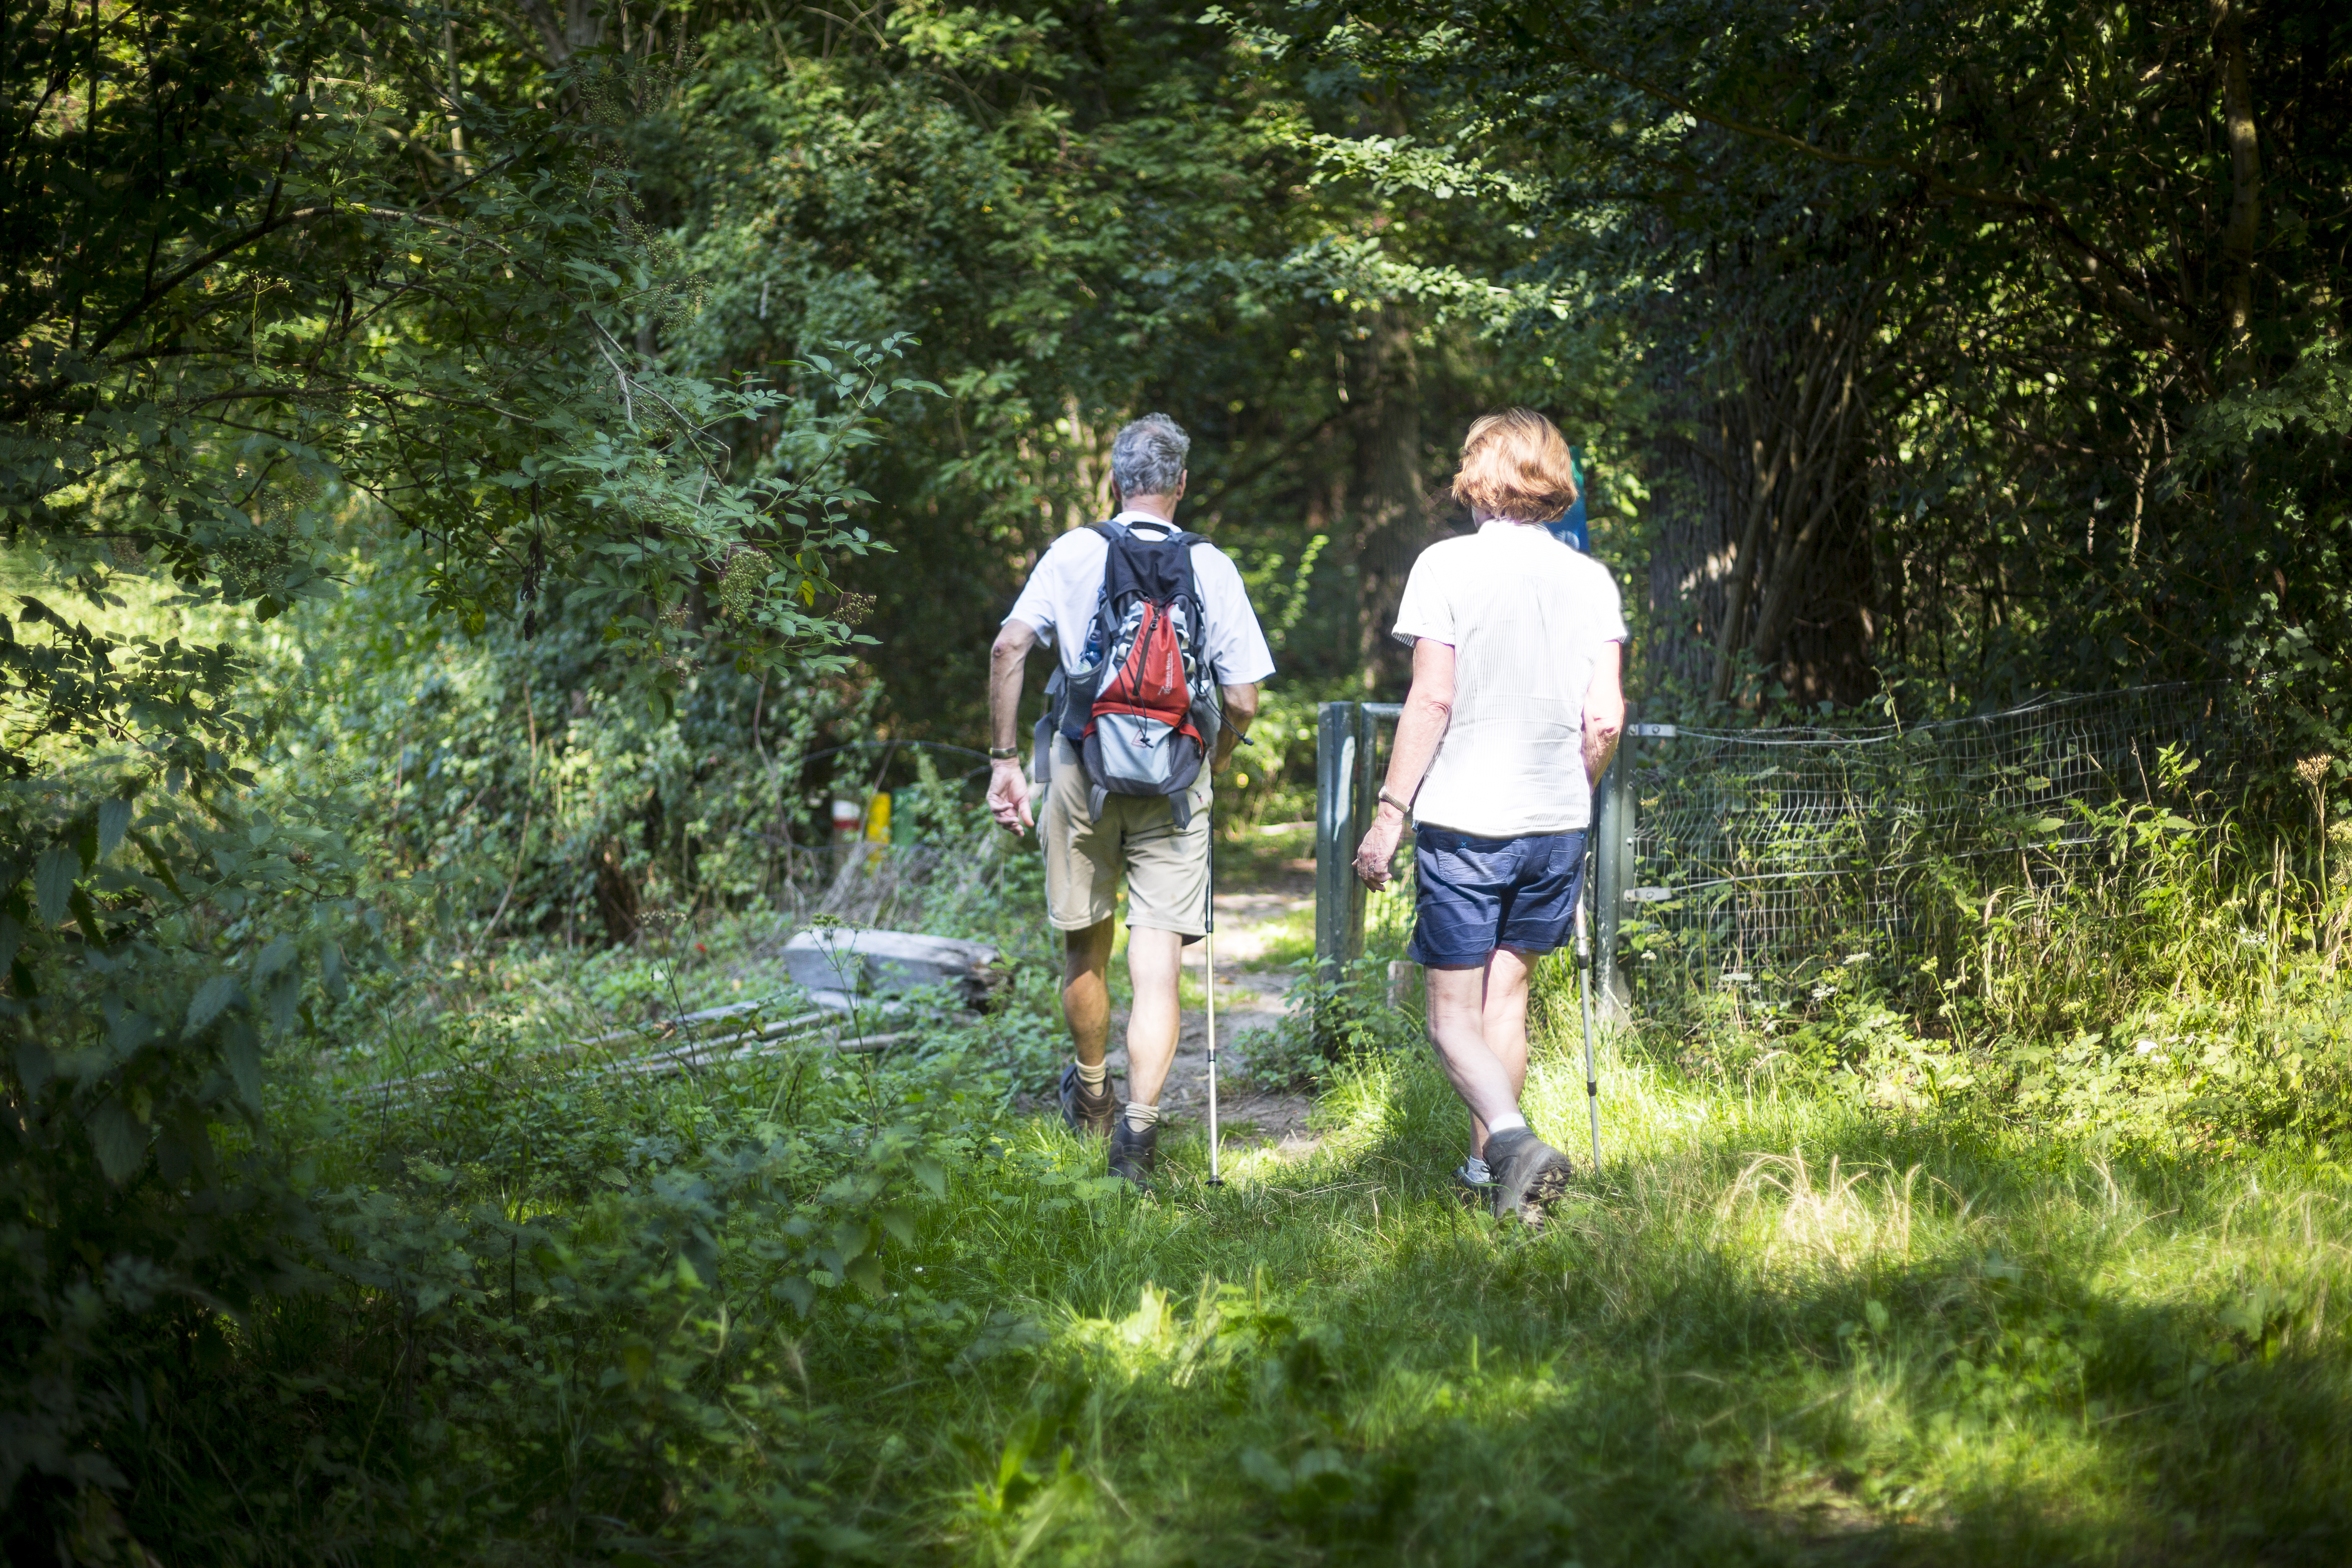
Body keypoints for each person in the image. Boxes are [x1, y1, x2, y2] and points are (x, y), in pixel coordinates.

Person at [986, 414, 1274, 1189]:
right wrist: (1207, 760)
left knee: (1086, 945)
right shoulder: (1212, 567)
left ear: (1115, 481)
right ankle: (1140, 1139)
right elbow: (1243, 699)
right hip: (1177, 784)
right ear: (1182, 485)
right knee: (1158, 969)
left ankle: (1091, 1093)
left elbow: (1009, 645)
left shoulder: (1075, 551)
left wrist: (1006, 761)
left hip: (1082, 768)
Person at [1352, 409, 1627, 1222]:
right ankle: (1493, 1180)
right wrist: (1568, 787)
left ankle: (1510, 1142)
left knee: (1448, 1019)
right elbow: (1605, 719)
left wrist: (1388, 816)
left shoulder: (1445, 566)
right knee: (1504, 1003)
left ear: (1479, 475)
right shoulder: (1591, 579)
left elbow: (1432, 696)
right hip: (1555, 824)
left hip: (1467, 819)